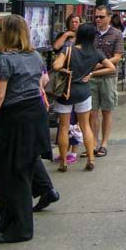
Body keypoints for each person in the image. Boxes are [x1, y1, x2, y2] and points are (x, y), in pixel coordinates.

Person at [0, 15, 56, 243]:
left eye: (0, 30)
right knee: (20, 171)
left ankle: (21, 228)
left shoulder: (5, 60)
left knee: (15, 175)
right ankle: (10, 221)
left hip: (15, 118)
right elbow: (44, 82)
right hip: (35, 114)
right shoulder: (34, 55)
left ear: (7, 33)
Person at [51, 23, 115, 172]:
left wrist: (65, 68)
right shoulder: (96, 53)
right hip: (84, 91)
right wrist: (92, 74)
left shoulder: (68, 50)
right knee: (86, 126)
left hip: (66, 92)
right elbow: (111, 67)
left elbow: (56, 66)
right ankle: (91, 159)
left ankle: (64, 162)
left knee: (64, 127)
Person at [90, 5, 124, 158]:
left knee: (107, 110)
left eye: (101, 17)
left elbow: (117, 57)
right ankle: (93, 143)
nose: (98, 19)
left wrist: (99, 63)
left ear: (109, 17)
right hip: (91, 76)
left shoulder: (116, 34)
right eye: (96, 16)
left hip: (108, 76)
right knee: (92, 111)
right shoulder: (91, 33)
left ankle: (104, 143)